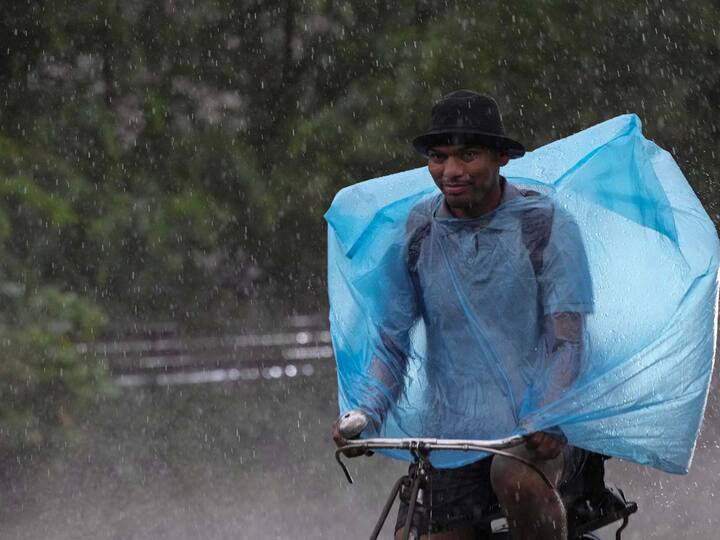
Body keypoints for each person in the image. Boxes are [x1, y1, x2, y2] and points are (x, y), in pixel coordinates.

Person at [332, 90, 594, 540]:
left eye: (468, 155)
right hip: (454, 434)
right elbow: (392, 344)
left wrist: (546, 412)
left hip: (536, 432)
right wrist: (366, 414)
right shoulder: (417, 233)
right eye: (439, 156)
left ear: (501, 158)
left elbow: (566, 340)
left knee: (512, 477)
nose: (451, 171)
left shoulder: (545, 226)